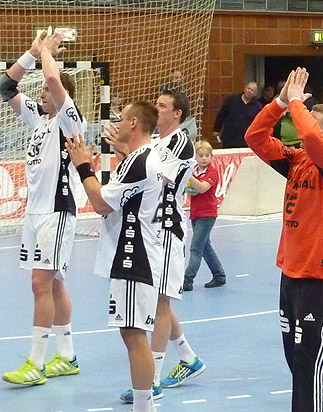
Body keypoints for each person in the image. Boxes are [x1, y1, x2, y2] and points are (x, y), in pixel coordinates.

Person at [245, 68, 323, 412]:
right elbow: (255, 137)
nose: (300, 124)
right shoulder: (296, 160)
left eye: (311, 121)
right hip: (290, 272)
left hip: (319, 275)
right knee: (298, 360)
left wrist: (296, 103)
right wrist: (279, 103)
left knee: (309, 362)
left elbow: (311, 137)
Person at [66, 101, 163, 412]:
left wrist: (83, 166)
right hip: (135, 254)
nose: (117, 124)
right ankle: (144, 404)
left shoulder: (141, 161)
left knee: (134, 334)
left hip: (135, 256)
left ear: (133, 123)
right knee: (131, 332)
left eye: (121, 119)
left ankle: (144, 406)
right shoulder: (140, 158)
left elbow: (101, 203)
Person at [0, 30, 84, 386]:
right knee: (55, 284)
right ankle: (67, 355)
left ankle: (35, 363)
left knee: (40, 284)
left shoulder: (69, 119)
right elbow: (5, 87)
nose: (42, 92)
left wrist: (49, 52)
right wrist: (33, 52)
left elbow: (52, 78)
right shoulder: (39, 118)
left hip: (57, 211)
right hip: (34, 214)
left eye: (48, 92)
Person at [118, 90, 205, 403]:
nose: (157, 108)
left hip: (168, 228)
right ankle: (189, 358)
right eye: (156, 104)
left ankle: (152, 379)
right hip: (153, 229)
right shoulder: (155, 143)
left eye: (163, 105)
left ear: (177, 113)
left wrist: (128, 151)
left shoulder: (179, 141)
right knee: (159, 300)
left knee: (160, 302)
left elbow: (159, 179)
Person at [183, 140, 226, 290]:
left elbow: (202, 188)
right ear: (195, 157)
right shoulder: (194, 170)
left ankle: (187, 279)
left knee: (196, 247)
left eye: (207, 155)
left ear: (211, 156)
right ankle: (219, 276)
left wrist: (188, 176)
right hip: (195, 213)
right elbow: (189, 189)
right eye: (201, 155)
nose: (204, 158)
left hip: (207, 214)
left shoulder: (212, 172)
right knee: (205, 247)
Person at [213, 82, 263, 148]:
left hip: (246, 140)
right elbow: (221, 114)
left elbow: (259, 124)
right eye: (248, 88)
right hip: (229, 137)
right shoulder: (231, 99)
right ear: (245, 88)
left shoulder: (258, 107)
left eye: (252, 90)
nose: (249, 91)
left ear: (255, 94)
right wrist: (216, 129)